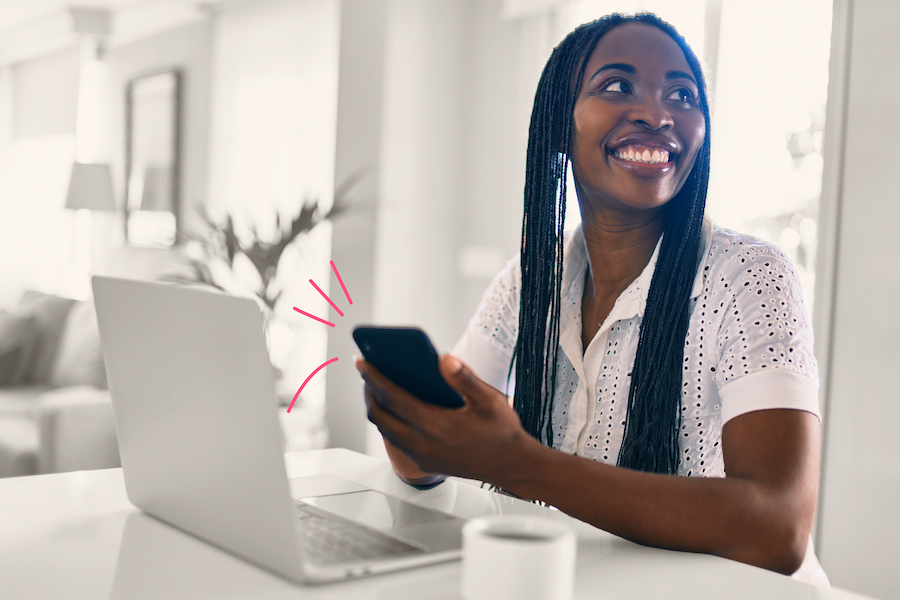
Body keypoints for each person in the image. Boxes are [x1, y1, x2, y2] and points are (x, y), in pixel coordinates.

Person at [356, 12, 827, 585]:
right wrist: (412, 429)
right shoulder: (531, 281)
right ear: (560, 123)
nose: (657, 114)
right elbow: (437, 459)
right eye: (617, 86)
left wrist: (520, 465)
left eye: (682, 94)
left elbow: (777, 529)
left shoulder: (749, 277)